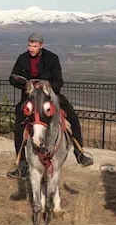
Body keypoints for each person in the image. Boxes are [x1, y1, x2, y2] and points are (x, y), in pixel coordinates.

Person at [7, 33, 93, 179]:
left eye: (35, 46)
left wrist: (48, 89)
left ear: (41, 45)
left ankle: (79, 152)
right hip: (30, 96)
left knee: (71, 115)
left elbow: (59, 81)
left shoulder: (52, 58)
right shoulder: (22, 58)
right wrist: (26, 85)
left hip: (49, 95)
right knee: (19, 123)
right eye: (29, 45)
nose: (31, 49)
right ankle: (22, 165)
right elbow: (12, 78)